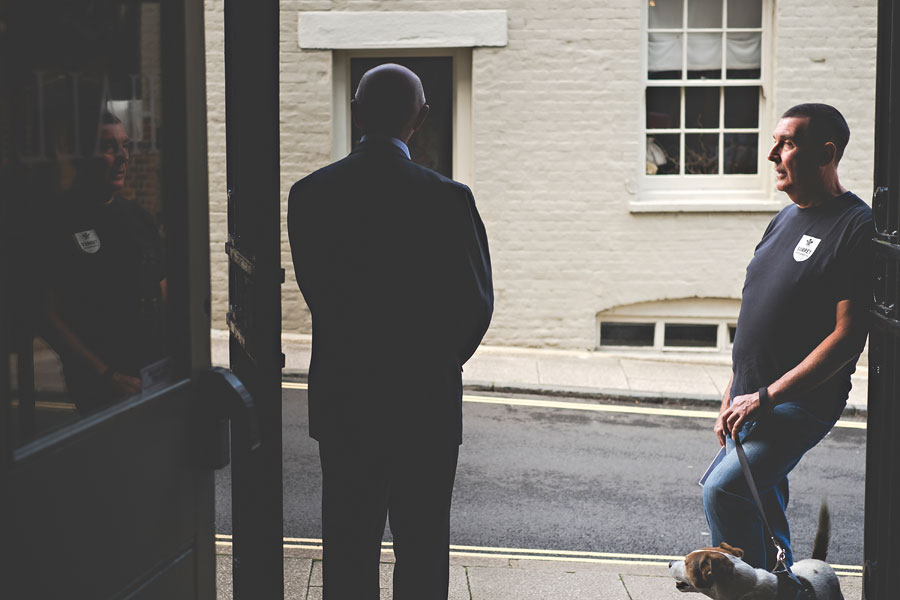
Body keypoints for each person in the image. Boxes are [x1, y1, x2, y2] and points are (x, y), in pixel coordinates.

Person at [287, 64, 493, 599]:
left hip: (346, 398)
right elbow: (476, 306)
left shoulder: (309, 195)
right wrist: (433, 361)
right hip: (425, 403)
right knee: (423, 552)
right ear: (420, 119)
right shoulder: (449, 198)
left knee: (349, 548)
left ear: (356, 112)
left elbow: (320, 294)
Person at [703, 103, 873, 570]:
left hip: (798, 401)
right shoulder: (784, 218)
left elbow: (847, 337)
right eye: (775, 142)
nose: (772, 155)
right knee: (761, 509)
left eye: (788, 143)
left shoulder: (856, 226)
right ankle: (785, 589)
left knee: (725, 488)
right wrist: (733, 394)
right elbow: (760, 316)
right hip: (753, 397)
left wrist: (765, 396)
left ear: (826, 153)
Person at [44, 111, 166, 413]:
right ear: (81, 156)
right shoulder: (57, 221)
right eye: (109, 148)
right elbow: (48, 314)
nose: (124, 157)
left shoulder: (138, 217)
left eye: (124, 145)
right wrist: (106, 374)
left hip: (152, 377)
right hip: (99, 386)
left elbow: (162, 288)